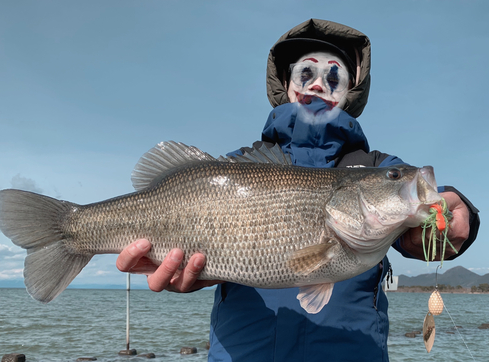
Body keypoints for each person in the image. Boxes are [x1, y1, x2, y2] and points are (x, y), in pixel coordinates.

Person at [116, 19, 480, 361]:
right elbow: (201, 260)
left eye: (333, 77)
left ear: (350, 91)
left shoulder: (375, 167)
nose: (319, 84)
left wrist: (459, 212)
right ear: (286, 86)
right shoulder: (237, 164)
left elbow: (426, 207)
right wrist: (189, 275)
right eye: (306, 73)